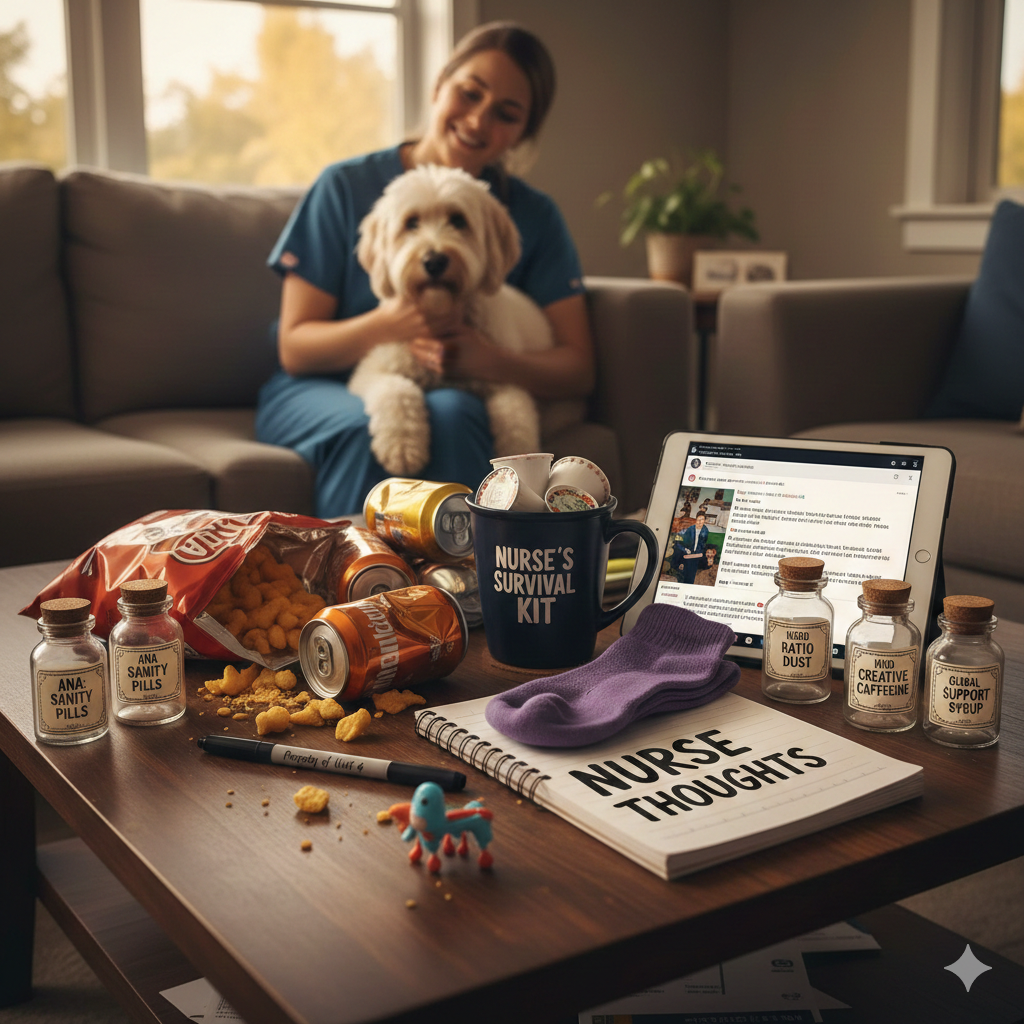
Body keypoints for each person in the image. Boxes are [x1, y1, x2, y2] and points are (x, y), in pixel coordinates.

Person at [254, 22, 595, 518]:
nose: (478, 121)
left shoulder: (532, 216)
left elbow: (577, 368)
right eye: (469, 93)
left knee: (457, 412)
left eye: (506, 113)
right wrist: (392, 324)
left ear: (524, 131)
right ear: (439, 88)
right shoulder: (345, 187)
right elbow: (295, 348)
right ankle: (351, 578)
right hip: (319, 384)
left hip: (458, 383)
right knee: (360, 426)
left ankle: (462, 584)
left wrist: (486, 360)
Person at [671, 511, 709, 585]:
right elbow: (683, 542)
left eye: (702, 520)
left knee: (692, 574)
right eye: (698, 520)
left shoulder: (705, 530)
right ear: (696, 520)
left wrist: (699, 553)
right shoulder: (690, 529)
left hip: (696, 555)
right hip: (687, 553)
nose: (700, 522)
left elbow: (703, 543)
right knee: (685, 573)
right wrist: (685, 550)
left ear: (704, 521)